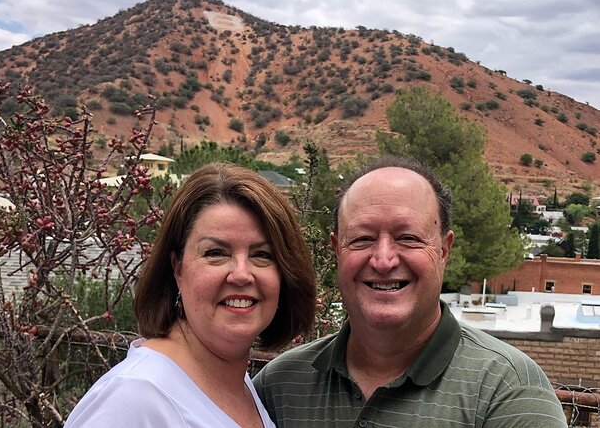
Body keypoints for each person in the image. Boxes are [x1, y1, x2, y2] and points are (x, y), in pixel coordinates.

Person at [253, 156, 567, 427]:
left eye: (408, 238)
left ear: (444, 250)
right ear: (337, 250)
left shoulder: (508, 391)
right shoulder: (280, 385)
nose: (383, 260)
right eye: (362, 238)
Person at [66, 162, 317, 427]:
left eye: (262, 255)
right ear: (177, 268)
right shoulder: (136, 398)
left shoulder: (239, 387)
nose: (242, 274)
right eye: (216, 253)